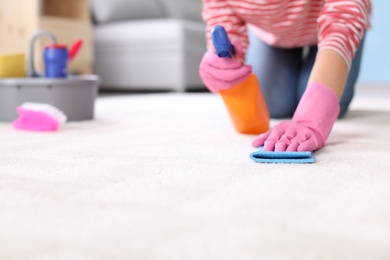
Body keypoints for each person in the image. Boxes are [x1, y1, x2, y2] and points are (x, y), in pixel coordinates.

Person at [199, 0, 372, 152]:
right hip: (274, 34)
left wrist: (315, 110)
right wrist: (222, 67)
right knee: (275, 106)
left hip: (336, 23)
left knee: (331, 104)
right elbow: (224, 24)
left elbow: (344, 15)